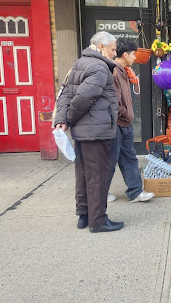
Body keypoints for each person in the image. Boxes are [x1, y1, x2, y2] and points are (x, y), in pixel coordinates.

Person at [54, 31, 124, 233]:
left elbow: (65, 93)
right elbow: (82, 99)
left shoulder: (80, 63)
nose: (114, 52)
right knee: (98, 176)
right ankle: (98, 220)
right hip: (97, 131)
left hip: (85, 132)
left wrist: (63, 119)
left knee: (84, 173)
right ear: (101, 47)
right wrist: (68, 118)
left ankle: (84, 215)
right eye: (112, 48)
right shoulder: (100, 68)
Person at [107, 38, 154, 203]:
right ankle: (100, 192)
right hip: (116, 124)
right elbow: (112, 102)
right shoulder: (113, 72)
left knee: (129, 158)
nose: (135, 58)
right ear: (125, 54)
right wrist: (126, 114)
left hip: (125, 124)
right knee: (109, 161)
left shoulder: (124, 72)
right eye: (133, 54)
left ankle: (135, 192)